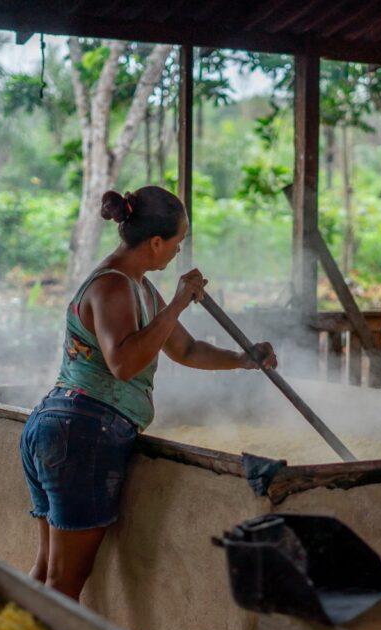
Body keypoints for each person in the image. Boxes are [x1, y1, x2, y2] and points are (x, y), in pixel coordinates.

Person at [20, 185, 277, 601]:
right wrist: (176, 304)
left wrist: (245, 358)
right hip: (81, 434)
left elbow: (186, 349)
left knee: (48, 573)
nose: (178, 252)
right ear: (156, 241)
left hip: (64, 429)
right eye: (177, 243)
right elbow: (123, 364)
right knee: (63, 583)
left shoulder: (139, 286)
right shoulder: (113, 286)